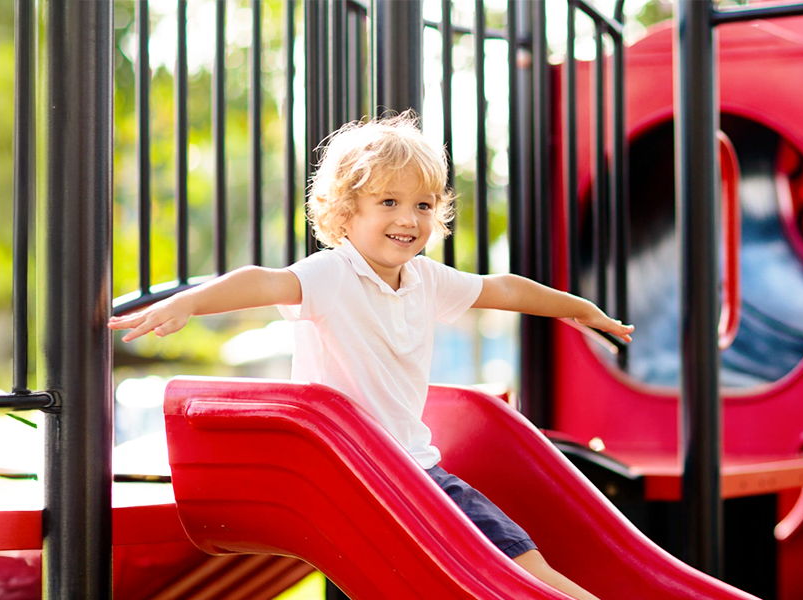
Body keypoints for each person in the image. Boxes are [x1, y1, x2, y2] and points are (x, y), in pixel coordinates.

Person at [110, 112, 631, 600]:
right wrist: (190, 302)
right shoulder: (332, 273)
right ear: (345, 210)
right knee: (494, 569)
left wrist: (579, 308)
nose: (408, 219)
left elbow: (505, 290)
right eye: (388, 203)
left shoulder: (427, 278)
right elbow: (263, 280)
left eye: (423, 205)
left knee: (521, 562)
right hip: (355, 479)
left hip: (419, 472)